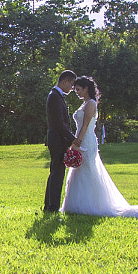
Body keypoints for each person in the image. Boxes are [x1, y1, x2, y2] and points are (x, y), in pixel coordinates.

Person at [61, 76, 138, 218]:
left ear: (86, 88)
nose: (77, 93)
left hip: (86, 140)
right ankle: (76, 204)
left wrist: (77, 143)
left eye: (79, 90)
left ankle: (89, 204)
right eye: (76, 90)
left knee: (87, 170)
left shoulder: (91, 104)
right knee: (78, 172)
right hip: (81, 138)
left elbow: (85, 125)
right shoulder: (85, 103)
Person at [44, 68, 77, 215]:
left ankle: (49, 205)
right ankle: (52, 207)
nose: (72, 88)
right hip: (57, 140)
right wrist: (73, 139)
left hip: (58, 139)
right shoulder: (55, 96)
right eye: (71, 84)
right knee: (57, 173)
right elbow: (59, 124)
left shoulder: (58, 96)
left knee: (55, 172)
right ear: (65, 81)